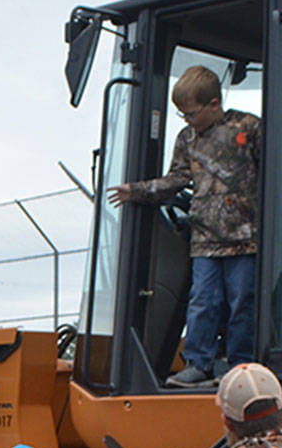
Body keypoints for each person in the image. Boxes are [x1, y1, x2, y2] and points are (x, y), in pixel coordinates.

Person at [112, 65, 261, 387]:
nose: (188, 121)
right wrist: (137, 191)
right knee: (203, 301)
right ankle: (198, 363)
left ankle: (242, 366)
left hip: (246, 238)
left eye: (191, 114)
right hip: (205, 239)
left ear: (214, 105)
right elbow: (176, 179)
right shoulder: (188, 138)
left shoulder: (247, 128)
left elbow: (272, 171)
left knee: (242, 302)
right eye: (183, 115)